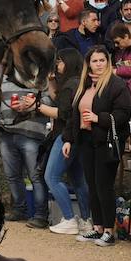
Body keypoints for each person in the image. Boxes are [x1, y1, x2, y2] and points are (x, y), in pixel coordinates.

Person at [61, 45, 131, 248]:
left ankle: (109, 230)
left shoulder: (116, 85)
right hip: (85, 141)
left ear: (108, 63)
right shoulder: (84, 85)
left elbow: (123, 114)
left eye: (102, 60)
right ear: (88, 64)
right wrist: (68, 139)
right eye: (95, 61)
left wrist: (97, 118)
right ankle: (98, 226)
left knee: (104, 186)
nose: (99, 64)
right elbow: (73, 115)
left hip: (105, 142)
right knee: (92, 185)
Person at [42, 49, 92, 235]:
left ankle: (70, 218)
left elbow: (62, 113)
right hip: (78, 137)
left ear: (69, 62)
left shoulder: (71, 84)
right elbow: (60, 100)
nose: (58, 65)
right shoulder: (78, 83)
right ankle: (86, 220)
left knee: (51, 177)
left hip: (65, 136)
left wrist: (37, 106)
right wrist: (51, 80)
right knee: (78, 180)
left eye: (61, 61)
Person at [0, 75, 49, 228]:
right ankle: (19, 210)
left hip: (32, 134)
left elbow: (51, 100)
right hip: (6, 132)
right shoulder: (4, 79)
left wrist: (33, 104)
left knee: (35, 176)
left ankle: (41, 215)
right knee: (12, 175)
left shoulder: (39, 78)